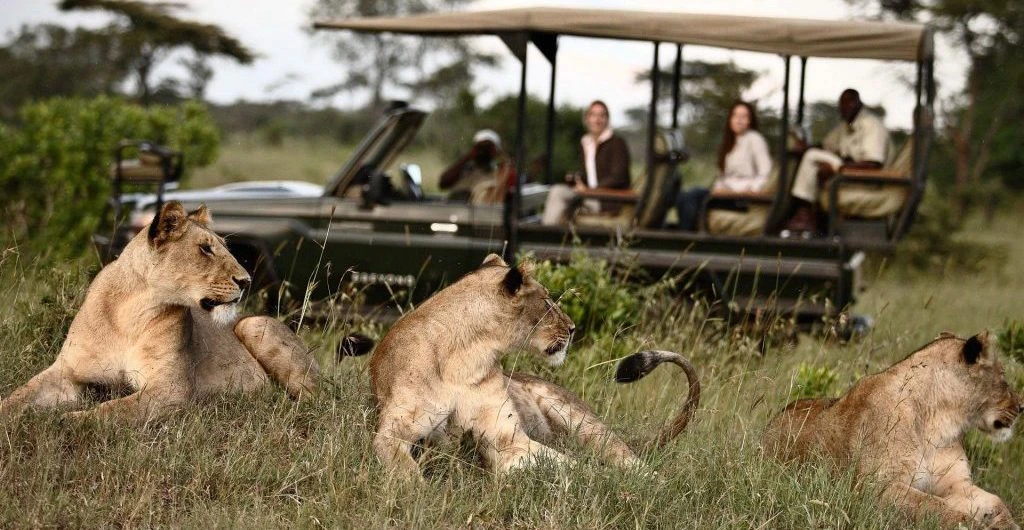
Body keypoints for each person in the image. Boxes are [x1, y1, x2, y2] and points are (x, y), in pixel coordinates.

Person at [784, 88, 889, 232]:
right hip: (846, 171)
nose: (843, 108)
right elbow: (825, 146)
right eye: (842, 104)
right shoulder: (847, 125)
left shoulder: (871, 125)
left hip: (866, 179)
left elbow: (873, 164)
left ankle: (805, 212)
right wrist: (805, 147)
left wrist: (838, 169)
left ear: (857, 103)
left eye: (847, 103)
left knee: (812, 156)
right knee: (812, 155)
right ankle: (805, 213)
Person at [674, 101, 772, 231]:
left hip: (739, 198)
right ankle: (687, 233)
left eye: (744, 116)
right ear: (730, 119)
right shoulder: (731, 143)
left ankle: (686, 238)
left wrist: (750, 190)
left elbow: (765, 173)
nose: (739, 120)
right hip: (724, 194)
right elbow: (724, 176)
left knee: (693, 196)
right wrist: (718, 189)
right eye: (735, 116)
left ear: (750, 121)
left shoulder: (754, 139)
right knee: (684, 196)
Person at [541, 100, 631, 225]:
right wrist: (576, 179)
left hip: (606, 199)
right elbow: (588, 174)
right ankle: (548, 231)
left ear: (607, 119)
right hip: (587, 194)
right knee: (557, 190)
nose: (597, 120)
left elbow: (618, 177)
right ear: (587, 119)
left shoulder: (617, 143)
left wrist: (590, 190)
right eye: (594, 115)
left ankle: (546, 235)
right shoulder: (585, 142)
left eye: (602, 115)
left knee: (564, 199)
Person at [438, 129, 514, 205]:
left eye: (488, 147)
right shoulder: (464, 169)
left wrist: (502, 160)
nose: (484, 151)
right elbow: (443, 184)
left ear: (496, 150)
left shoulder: (501, 174)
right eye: (481, 147)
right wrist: (468, 158)